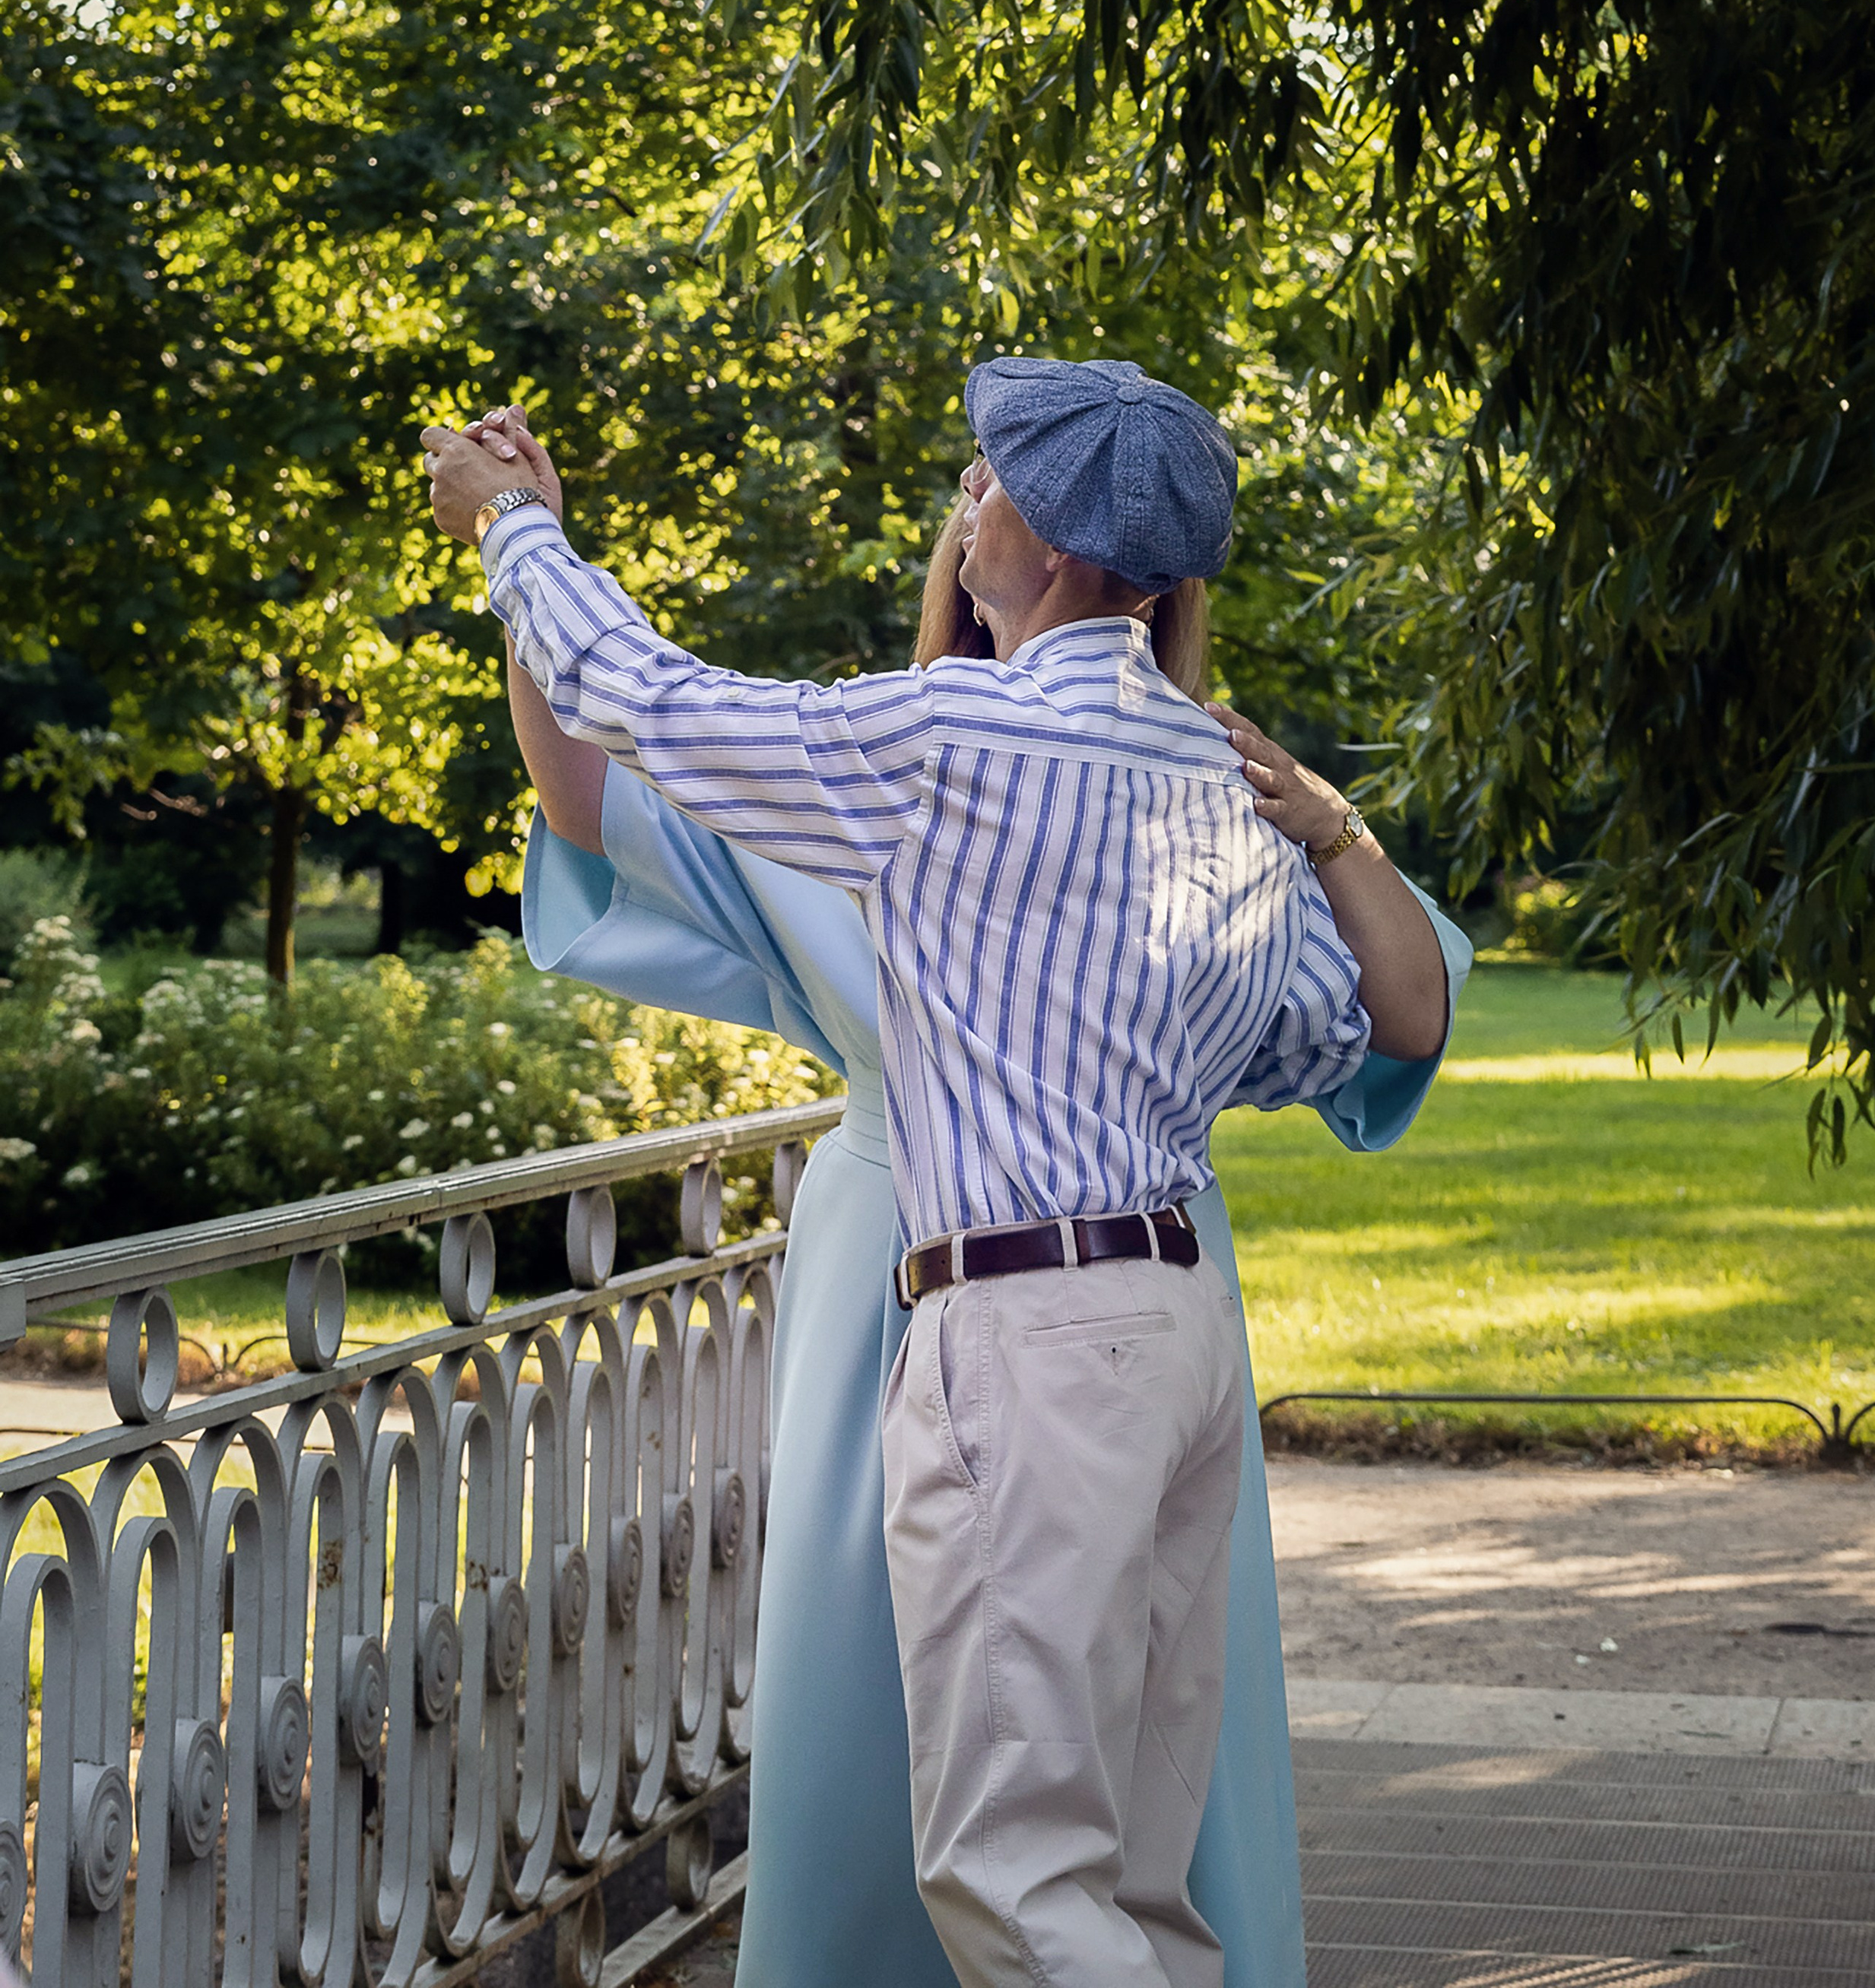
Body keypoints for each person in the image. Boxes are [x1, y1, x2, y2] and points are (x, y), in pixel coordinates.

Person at [421, 360, 1457, 1988]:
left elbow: (651, 696)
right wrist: (1335, 838)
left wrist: (517, 537)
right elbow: (1372, 1021)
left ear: (1039, 547)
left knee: (1014, 1871)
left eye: (981, 483)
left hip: (1019, 1329)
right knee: (1137, 1859)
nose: (962, 507)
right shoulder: (1219, 787)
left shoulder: (943, 739)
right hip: (1173, 1317)